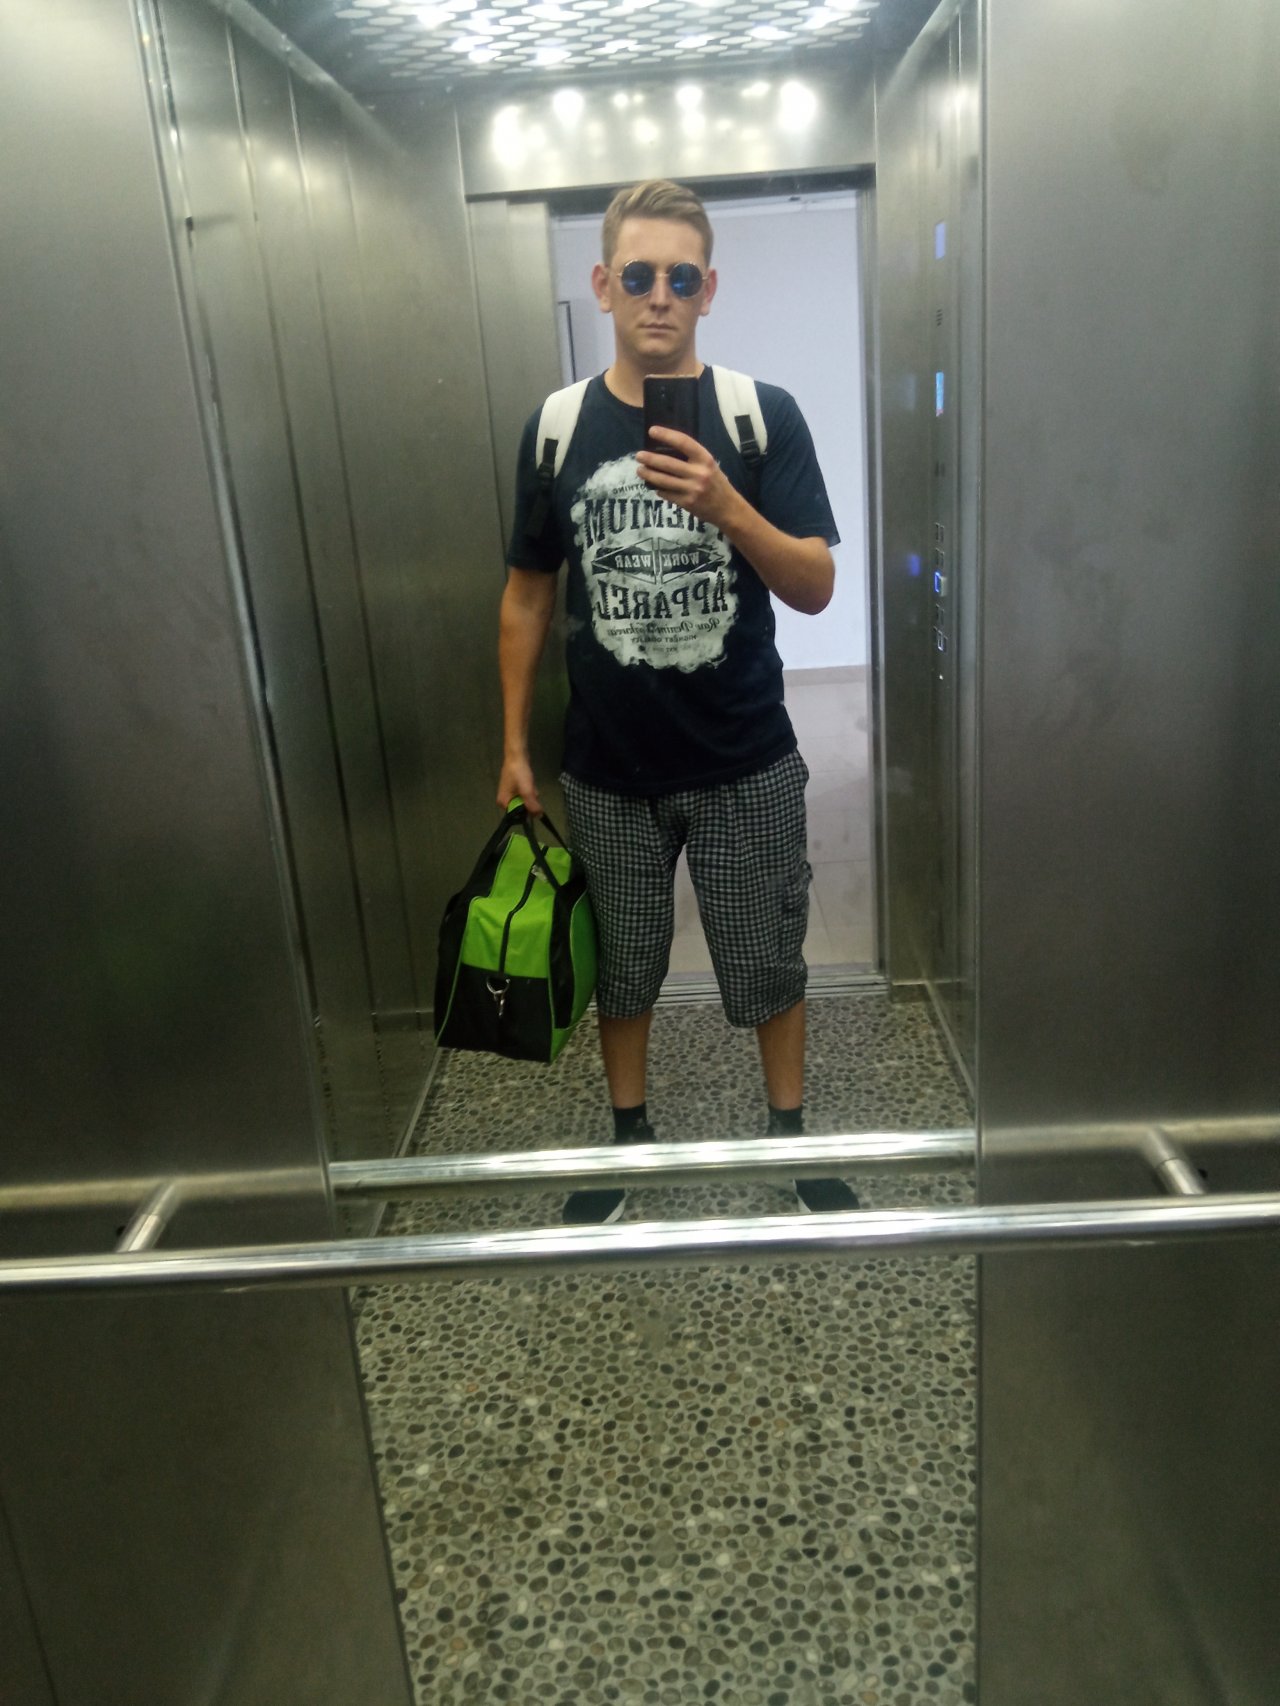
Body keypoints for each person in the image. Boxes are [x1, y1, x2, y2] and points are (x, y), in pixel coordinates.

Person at [497, 179, 860, 1226]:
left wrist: (728, 504)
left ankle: (790, 1137)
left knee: (767, 958)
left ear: (709, 290)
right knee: (622, 967)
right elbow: (526, 593)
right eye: (641, 274)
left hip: (745, 757)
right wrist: (512, 742)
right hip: (607, 768)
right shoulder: (557, 428)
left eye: (682, 276)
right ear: (603, 283)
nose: (661, 295)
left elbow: (813, 584)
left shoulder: (759, 416)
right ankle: (628, 1141)